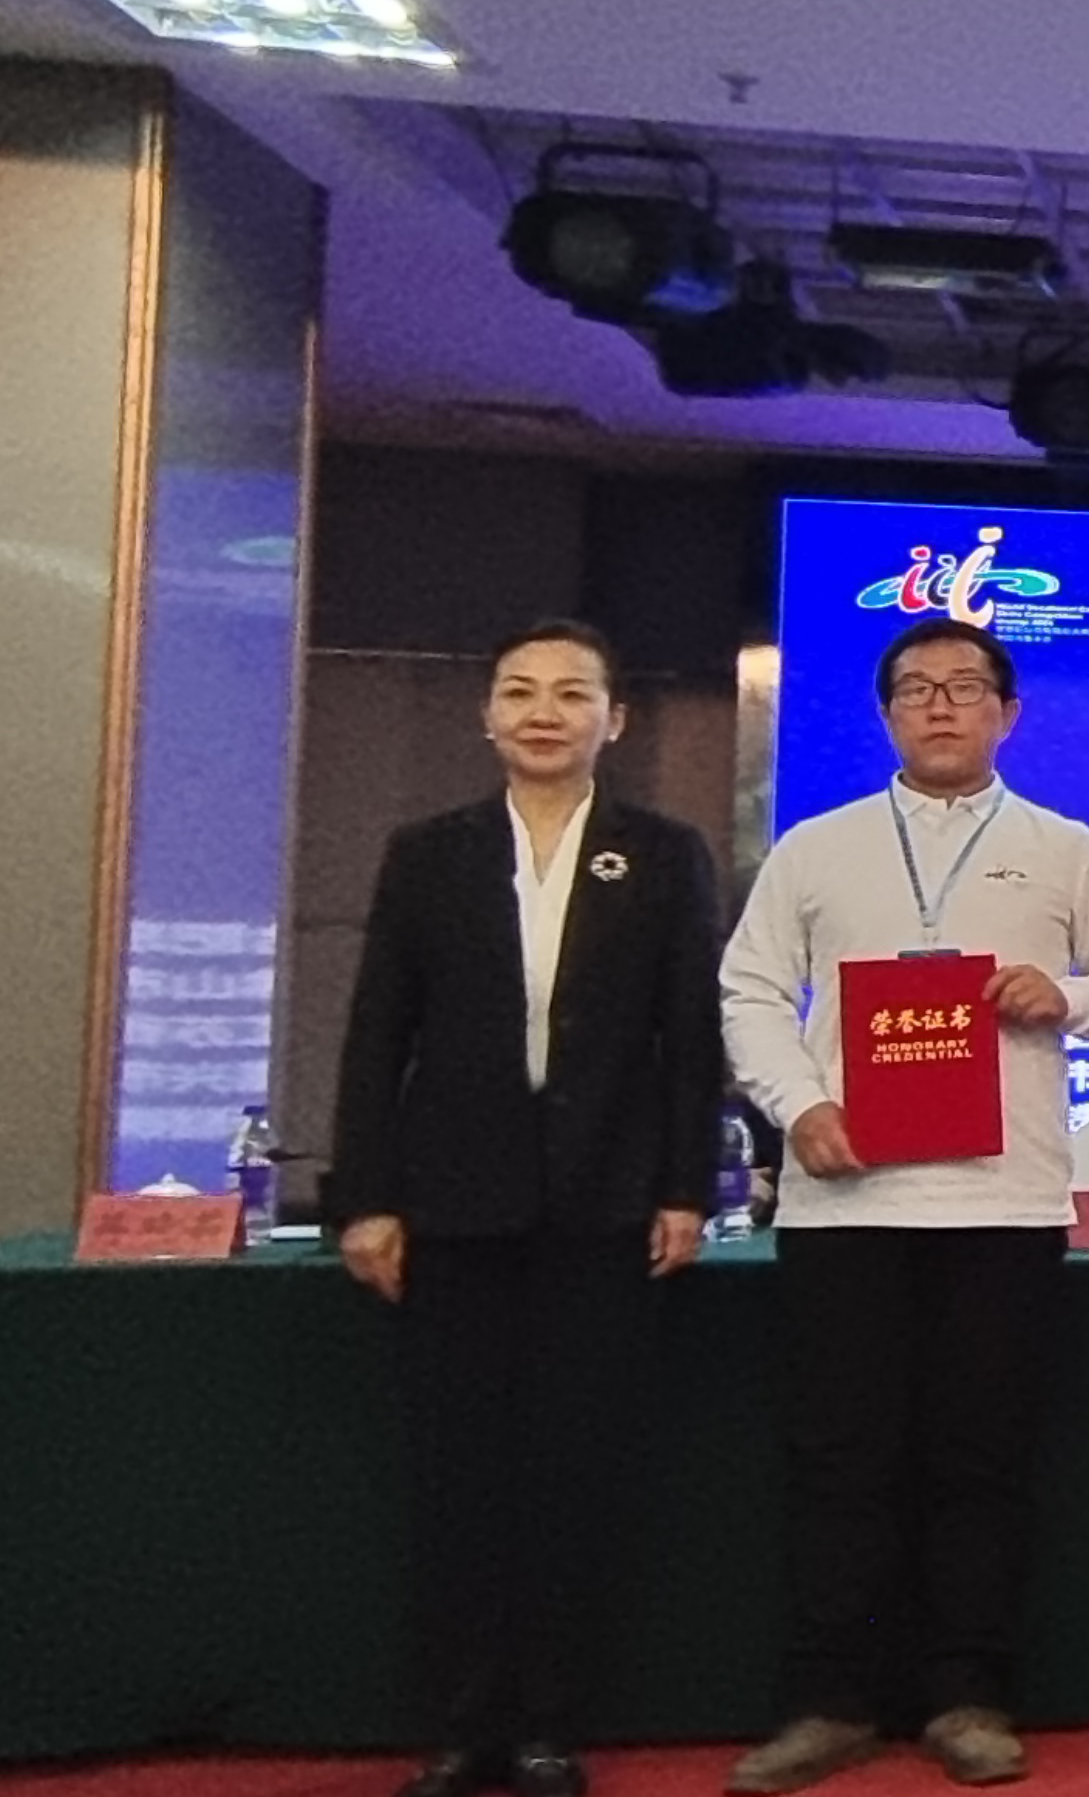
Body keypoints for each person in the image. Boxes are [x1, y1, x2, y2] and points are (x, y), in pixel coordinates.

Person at [718, 619, 1089, 1793]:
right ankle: (830, 1701)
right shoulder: (817, 847)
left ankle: (968, 1695)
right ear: (885, 715)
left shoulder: (1063, 846)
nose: (939, 706)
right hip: (846, 1202)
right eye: (915, 688)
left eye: (965, 688)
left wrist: (1066, 995)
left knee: (982, 1462)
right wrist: (800, 1105)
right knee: (841, 1463)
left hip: (1002, 1206)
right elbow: (749, 990)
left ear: (1007, 714)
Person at [327, 619, 727, 1797]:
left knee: (572, 1477)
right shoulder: (428, 853)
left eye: (570, 693)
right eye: (518, 691)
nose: (543, 712)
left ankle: (550, 1724)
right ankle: (463, 1728)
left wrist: (685, 1186)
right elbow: (375, 1034)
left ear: (616, 719)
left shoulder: (664, 853)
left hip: (605, 1207)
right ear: (487, 716)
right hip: (453, 1206)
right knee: (461, 1477)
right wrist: (367, 1199)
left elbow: (689, 1038)